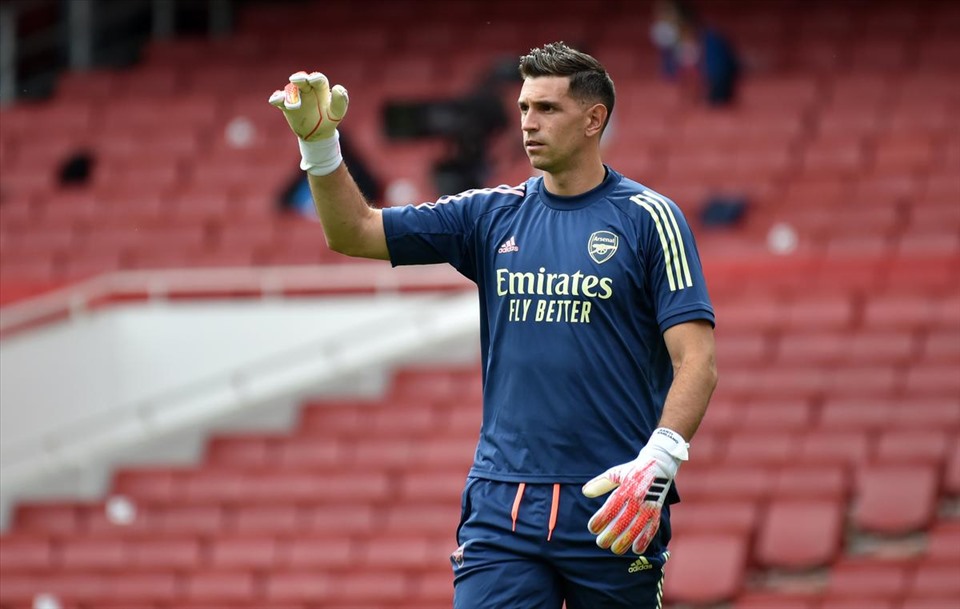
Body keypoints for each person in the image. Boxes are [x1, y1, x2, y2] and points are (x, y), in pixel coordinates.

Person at [269, 42, 718, 609]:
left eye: (548, 109)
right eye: (525, 108)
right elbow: (353, 231)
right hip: (502, 505)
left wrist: (660, 459)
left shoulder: (651, 219)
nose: (528, 122)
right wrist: (320, 146)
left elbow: (697, 361)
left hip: (615, 502)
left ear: (593, 120)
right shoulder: (489, 215)